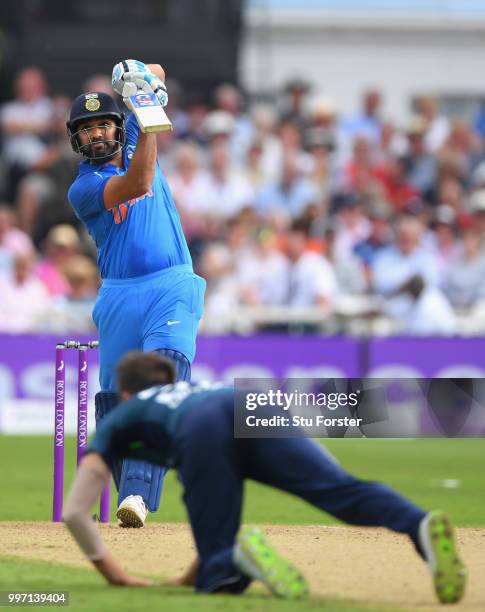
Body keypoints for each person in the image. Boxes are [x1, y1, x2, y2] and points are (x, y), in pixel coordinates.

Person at [64, 352, 466, 604]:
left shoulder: (125, 414)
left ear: (125, 391)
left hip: (201, 427)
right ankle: (418, 523)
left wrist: (116, 576)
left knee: (219, 573)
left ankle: (234, 558)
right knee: (341, 490)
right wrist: (194, 568)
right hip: (250, 401)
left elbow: (75, 512)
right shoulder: (194, 389)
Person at [66, 59, 206, 528]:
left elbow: (161, 70)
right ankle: (134, 490)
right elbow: (140, 182)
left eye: (106, 123)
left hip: (172, 284)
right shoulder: (84, 188)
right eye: (88, 130)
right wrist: (148, 118)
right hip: (119, 294)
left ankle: (136, 496)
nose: (99, 134)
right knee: (113, 400)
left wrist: (141, 82)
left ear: (117, 124)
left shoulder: (133, 137)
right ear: (77, 140)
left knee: (161, 380)